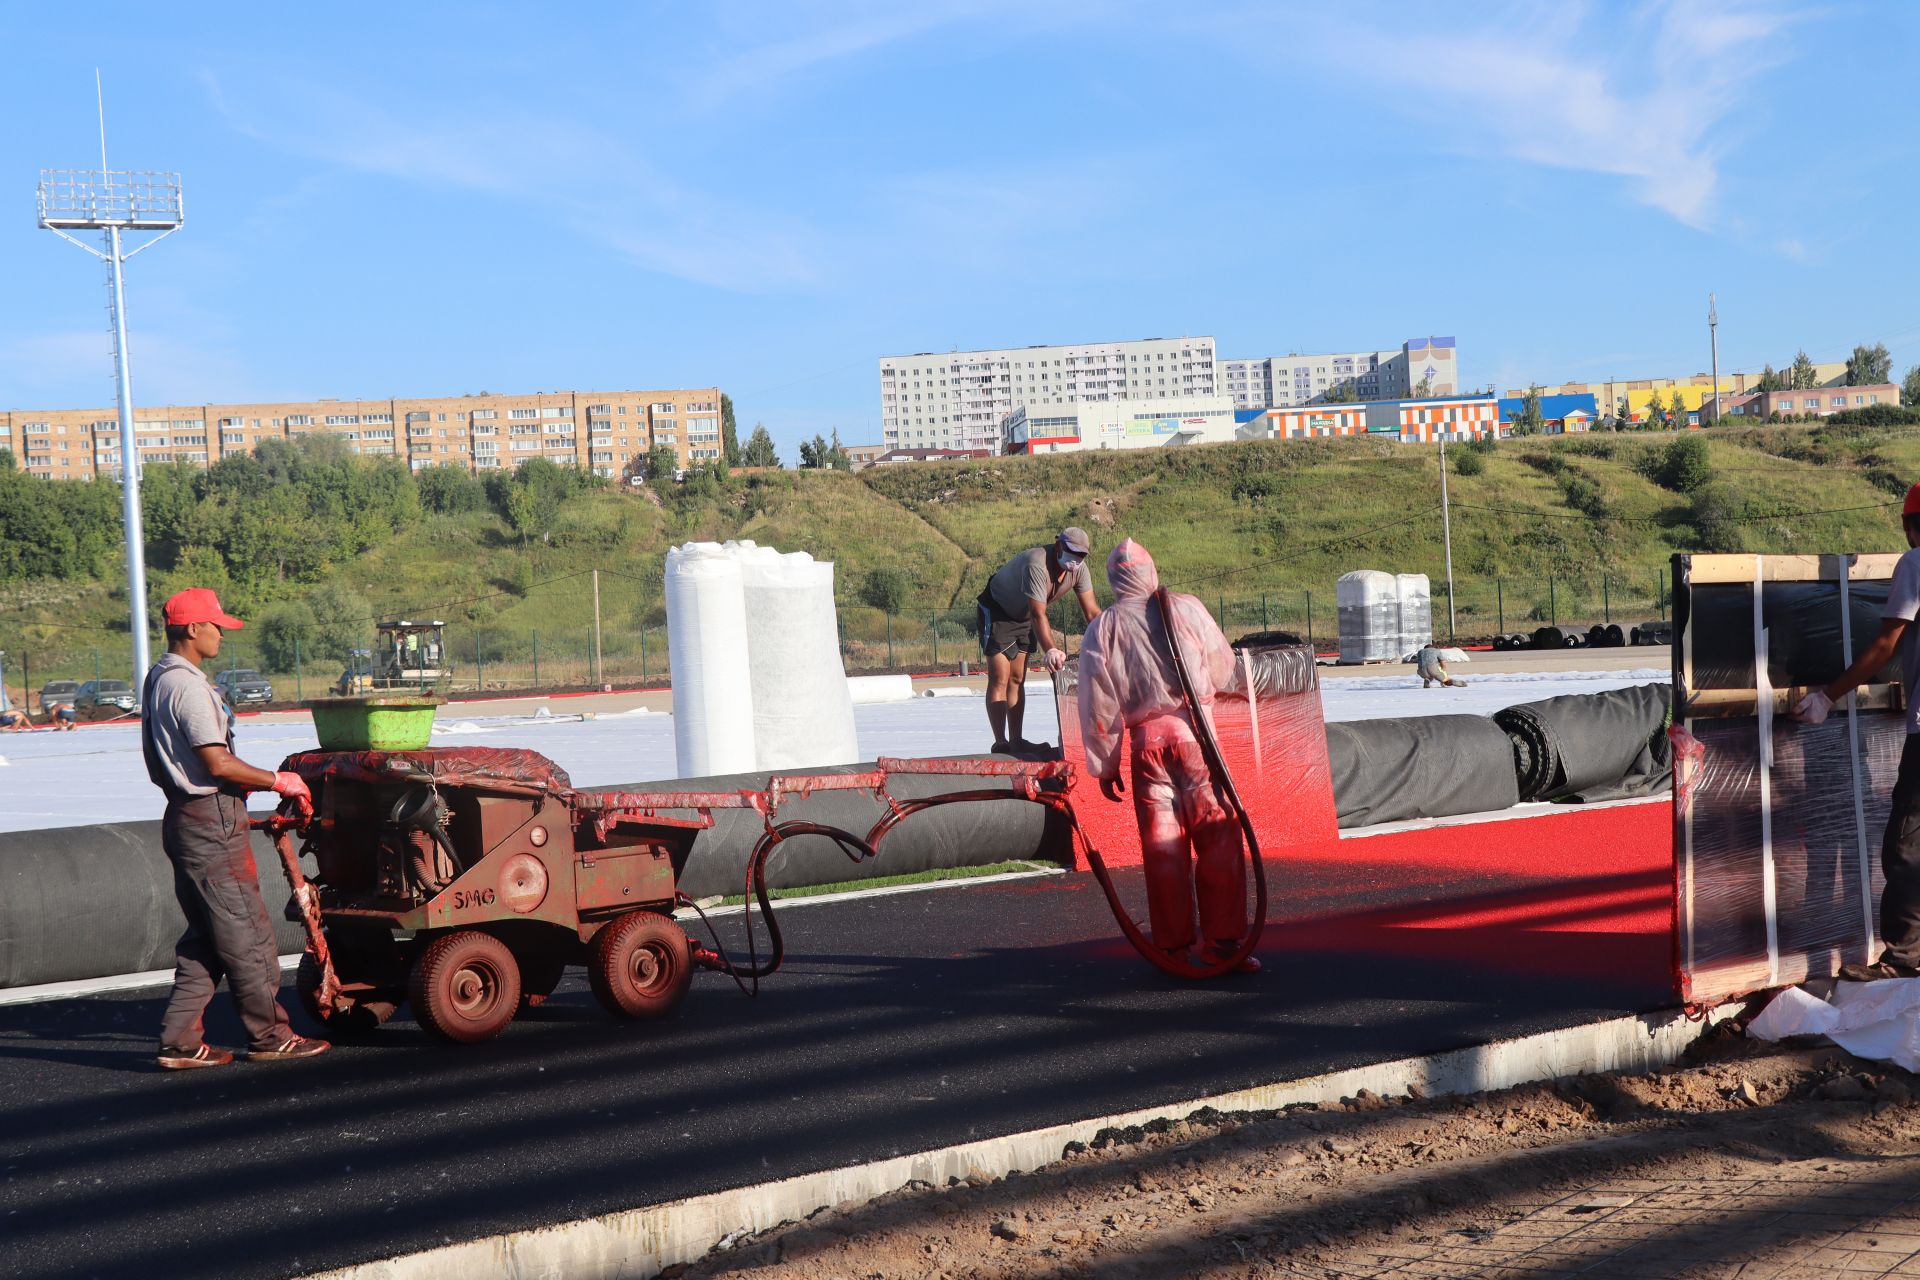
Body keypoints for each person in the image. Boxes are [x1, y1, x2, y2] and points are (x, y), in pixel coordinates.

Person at [143, 588, 329, 1069]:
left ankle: (179, 1041)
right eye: (215, 625)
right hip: (212, 821)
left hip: (184, 818)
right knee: (248, 935)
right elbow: (217, 761)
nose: (221, 633)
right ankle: (271, 1036)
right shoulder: (187, 686)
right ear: (191, 629)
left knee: (206, 938)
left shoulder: (158, 678)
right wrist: (277, 779)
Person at [1077, 538, 1258, 972]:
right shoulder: (1184, 607)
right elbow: (1222, 667)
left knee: (1162, 849)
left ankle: (1172, 948)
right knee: (1217, 839)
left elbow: (1097, 704)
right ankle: (1224, 945)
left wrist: (1105, 764)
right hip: (1197, 742)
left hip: (1145, 753)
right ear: (1151, 571)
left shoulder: (1102, 629)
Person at [1795, 482, 1920, 980]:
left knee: (1906, 844)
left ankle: (1904, 959)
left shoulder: (1915, 564)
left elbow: (1884, 644)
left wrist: (1829, 695)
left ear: (1912, 526)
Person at [977, 527, 1102, 753]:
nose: (1075, 560)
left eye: (1081, 555)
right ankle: (1001, 742)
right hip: (998, 611)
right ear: (1058, 546)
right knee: (1000, 677)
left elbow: (1092, 613)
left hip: (1024, 615)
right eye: (1071, 552)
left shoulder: (1079, 571)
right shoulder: (1037, 564)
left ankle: (1016, 740)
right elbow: (1038, 614)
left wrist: (1112, 638)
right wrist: (1051, 649)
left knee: (1018, 677)